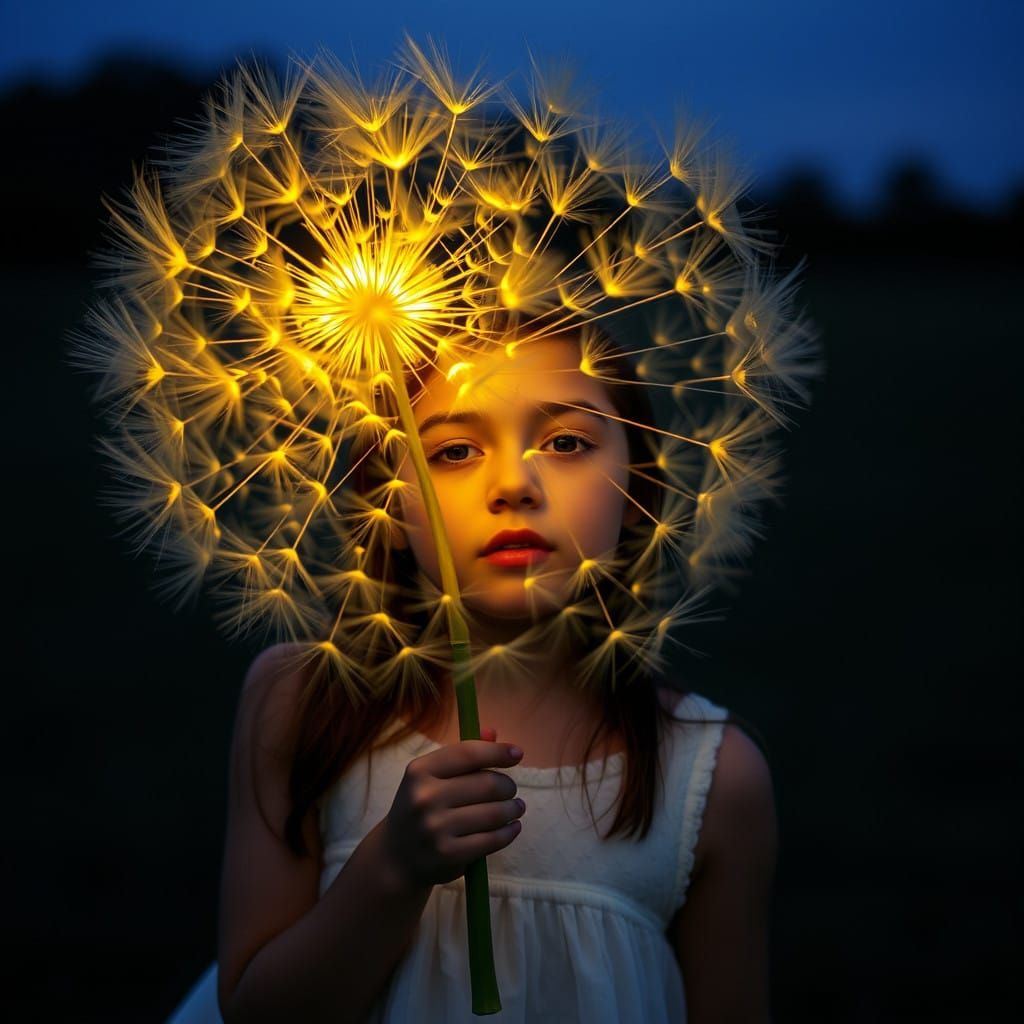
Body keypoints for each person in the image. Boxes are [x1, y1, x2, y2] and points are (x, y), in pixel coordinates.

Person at [166, 330, 778, 1024]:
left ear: (637, 487)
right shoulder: (303, 705)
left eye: (568, 442)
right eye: (455, 451)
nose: (515, 484)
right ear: (387, 505)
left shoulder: (713, 781)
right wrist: (390, 871)